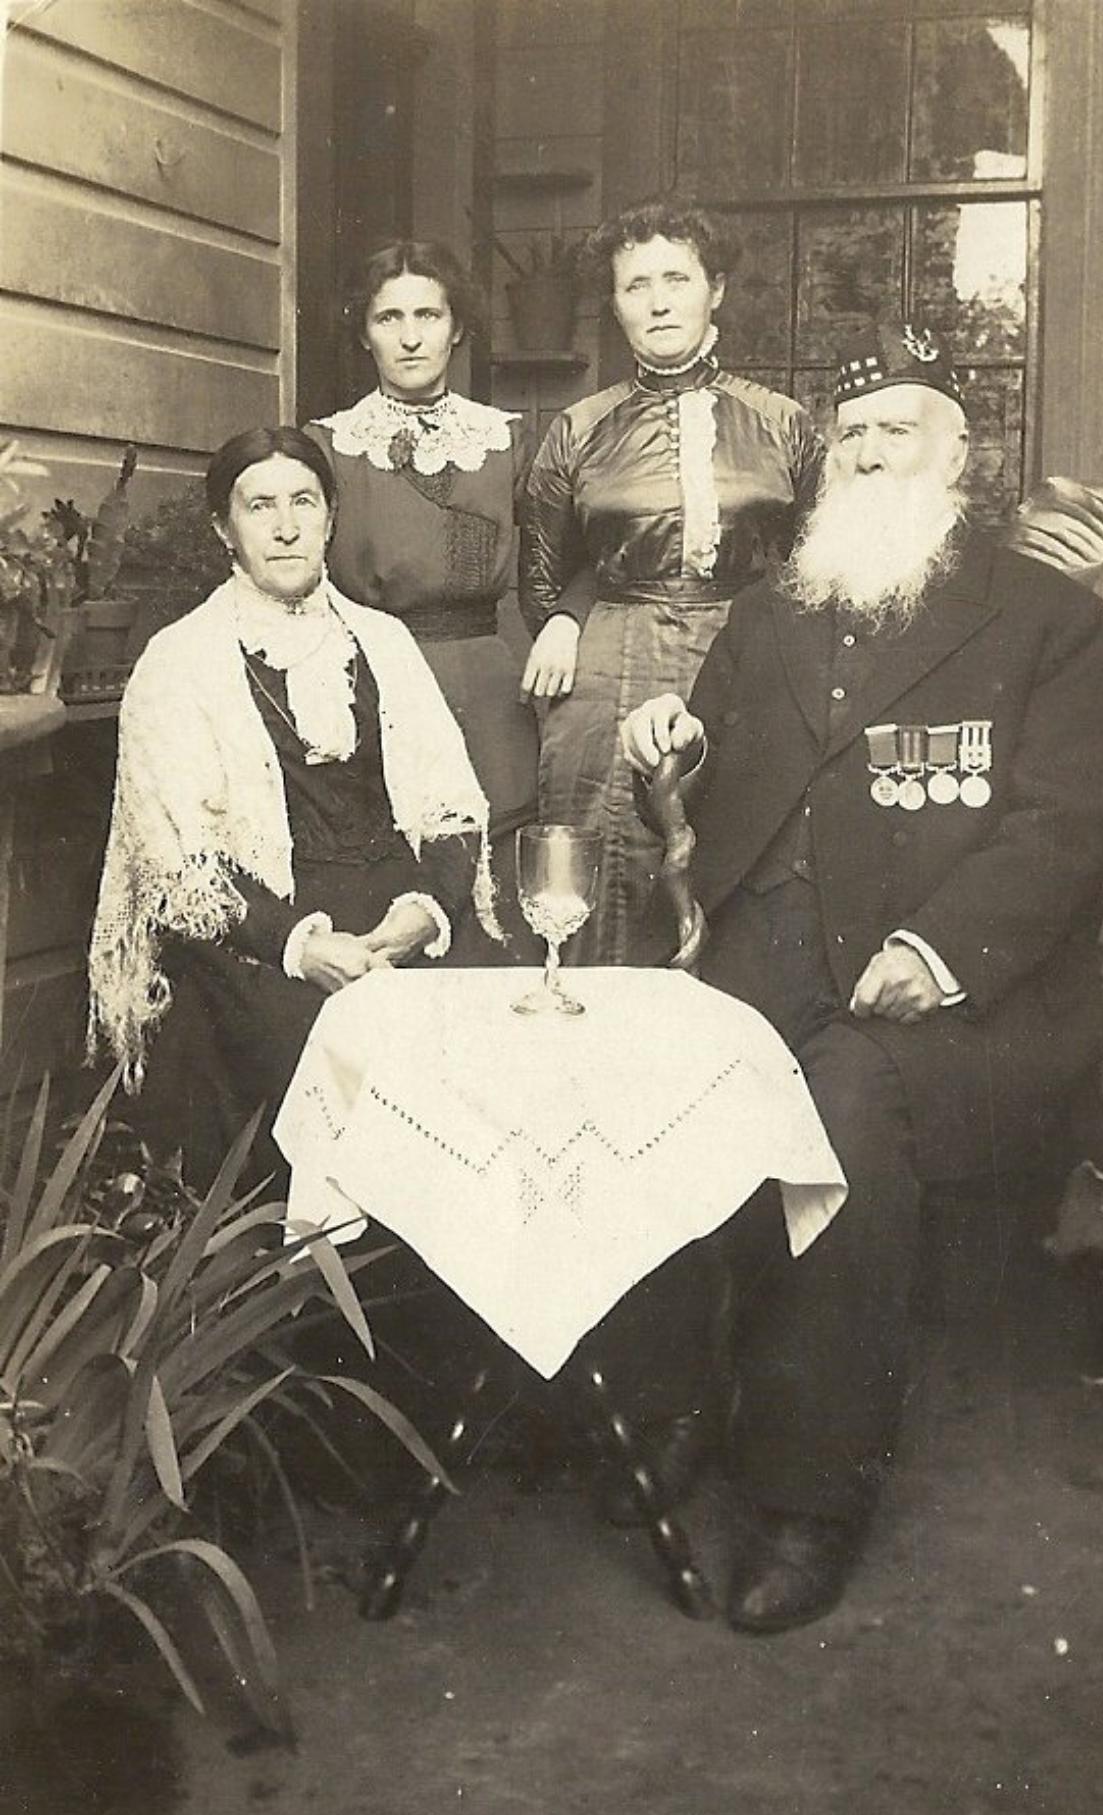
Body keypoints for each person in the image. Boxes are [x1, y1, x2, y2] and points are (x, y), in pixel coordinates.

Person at [619, 319, 1103, 1634]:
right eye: (855, 433)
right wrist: (664, 744)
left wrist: (940, 951)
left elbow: (1061, 827)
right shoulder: (773, 610)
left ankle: (808, 1496)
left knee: (834, 1117)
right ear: (827, 461)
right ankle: (675, 1405)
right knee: (657, 1077)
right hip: (765, 940)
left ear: (958, 453)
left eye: (904, 428)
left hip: (938, 975)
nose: (875, 449)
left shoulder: (1045, 615)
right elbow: (703, 770)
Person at [88, 425, 495, 1191]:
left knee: (501, 1047)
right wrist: (302, 947)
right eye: (259, 505)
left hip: (393, 919)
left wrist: (425, 914)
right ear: (223, 528)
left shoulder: (384, 641)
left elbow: (451, 807)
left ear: (330, 516)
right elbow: (180, 866)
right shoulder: (179, 660)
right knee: (336, 1069)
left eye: (303, 501)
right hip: (257, 937)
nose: (284, 526)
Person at [520, 200, 824, 963]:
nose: (658, 301)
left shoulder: (782, 422)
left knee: (740, 849)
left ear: (714, 289)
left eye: (677, 279)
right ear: (615, 305)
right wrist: (565, 618)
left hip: (745, 651)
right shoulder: (580, 428)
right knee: (606, 862)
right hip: (610, 661)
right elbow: (544, 575)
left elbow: (817, 568)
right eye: (635, 286)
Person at [305, 239, 584, 956]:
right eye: (387, 317)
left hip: (486, 684)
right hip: (376, 685)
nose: (409, 335)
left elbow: (566, 564)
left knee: (500, 894)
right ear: (363, 332)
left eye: (428, 313)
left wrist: (563, 626)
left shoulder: (506, 440)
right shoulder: (329, 446)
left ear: (458, 326)